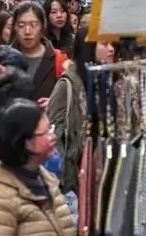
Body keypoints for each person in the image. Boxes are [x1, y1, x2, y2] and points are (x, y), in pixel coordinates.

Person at [0, 99, 74, 236]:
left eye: (50, 129)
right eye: (45, 133)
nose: (53, 137)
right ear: (23, 140)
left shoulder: (46, 179)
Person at [47, 27, 115, 194]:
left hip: (107, 171)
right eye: (105, 44)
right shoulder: (67, 85)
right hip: (77, 177)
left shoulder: (111, 82)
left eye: (112, 44)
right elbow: (55, 135)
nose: (112, 49)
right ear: (89, 47)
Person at [11, 1, 57, 101]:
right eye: (21, 25)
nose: (27, 31)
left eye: (34, 25)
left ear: (42, 26)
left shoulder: (59, 60)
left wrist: (54, 103)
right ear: (14, 27)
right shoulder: (3, 59)